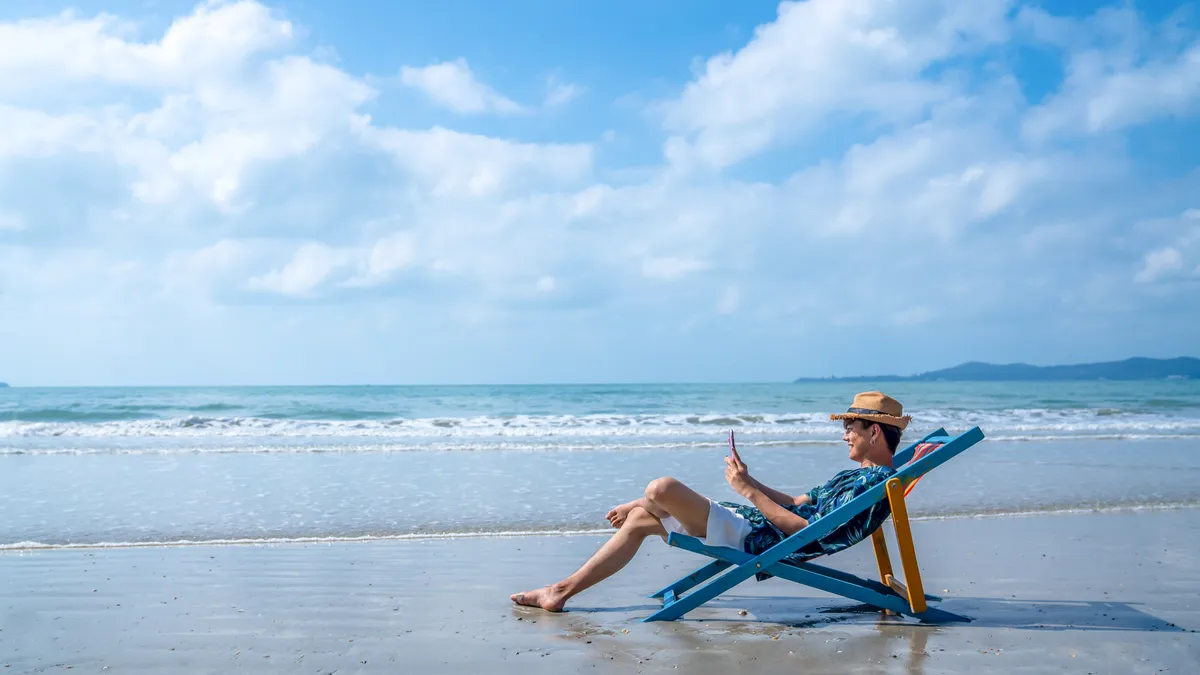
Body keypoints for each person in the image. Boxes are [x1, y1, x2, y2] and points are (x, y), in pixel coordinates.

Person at [510, 391, 912, 612]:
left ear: (874, 432)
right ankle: (560, 591)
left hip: (759, 538)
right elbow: (796, 501)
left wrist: (747, 491)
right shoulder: (858, 477)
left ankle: (651, 502)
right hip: (755, 524)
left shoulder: (870, 484)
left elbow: (807, 534)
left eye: (851, 427)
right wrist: (749, 480)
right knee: (636, 522)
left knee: (662, 487)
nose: (844, 434)